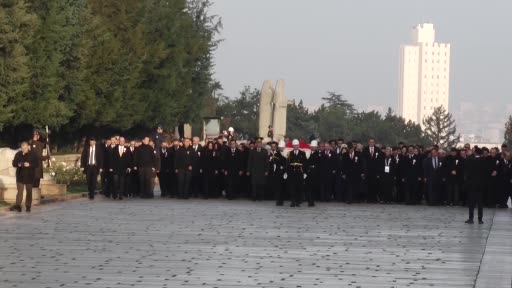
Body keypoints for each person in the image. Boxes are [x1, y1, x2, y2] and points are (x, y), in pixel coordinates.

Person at [10, 142, 38, 212]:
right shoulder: (18, 154)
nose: (24, 150)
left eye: (25, 148)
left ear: (28, 147)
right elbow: (14, 163)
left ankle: (28, 206)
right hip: (20, 176)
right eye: (22, 148)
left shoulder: (33, 154)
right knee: (20, 192)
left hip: (29, 176)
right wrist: (18, 164)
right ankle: (18, 206)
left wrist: (29, 164)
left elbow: (37, 164)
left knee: (29, 192)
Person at [465, 147, 486, 224]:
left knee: (471, 203)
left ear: (475, 153)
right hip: (480, 185)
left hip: (472, 184)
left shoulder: (471, 159)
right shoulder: (483, 160)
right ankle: (480, 219)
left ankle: (471, 219)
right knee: (480, 203)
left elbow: (466, 164)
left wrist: (470, 155)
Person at [286, 139, 307, 207]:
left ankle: (298, 201)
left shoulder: (302, 153)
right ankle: (292, 201)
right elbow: (287, 164)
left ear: (298, 145)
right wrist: (287, 172)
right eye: (294, 145)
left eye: (296, 145)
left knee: (299, 187)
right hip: (292, 173)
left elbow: (305, 163)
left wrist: (304, 172)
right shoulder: (290, 153)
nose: (295, 146)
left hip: (299, 172)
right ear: (293, 146)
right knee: (292, 188)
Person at [364, 138, 382, 203]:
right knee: (368, 185)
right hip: (368, 171)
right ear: (368, 143)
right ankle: (368, 199)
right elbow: (364, 161)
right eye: (370, 142)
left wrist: (378, 172)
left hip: (375, 171)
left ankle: (374, 199)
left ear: (374, 143)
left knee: (374, 185)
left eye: (372, 142)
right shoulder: (365, 149)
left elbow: (379, 161)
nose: (371, 143)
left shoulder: (378, 150)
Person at [305, 140, 320, 206]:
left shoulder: (318, 154)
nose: (313, 147)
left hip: (315, 173)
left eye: (314, 146)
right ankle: (309, 200)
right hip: (308, 172)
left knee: (313, 188)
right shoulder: (308, 153)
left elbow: (319, 164)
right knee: (308, 187)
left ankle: (312, 201)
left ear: (316, 147)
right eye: (312, 146)